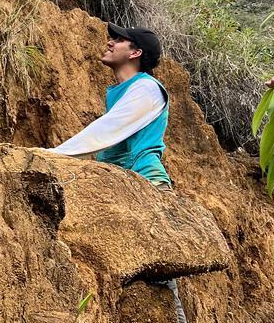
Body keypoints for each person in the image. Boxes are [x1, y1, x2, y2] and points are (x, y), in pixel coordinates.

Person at [50, 23, 186, 323]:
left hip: (146, 185)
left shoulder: (147, 88)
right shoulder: (121, 91)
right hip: (122, 189)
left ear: (135, 53)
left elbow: (105, 132)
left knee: (160, 283)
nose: (110, 42)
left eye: (119, 40)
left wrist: (52, 156)